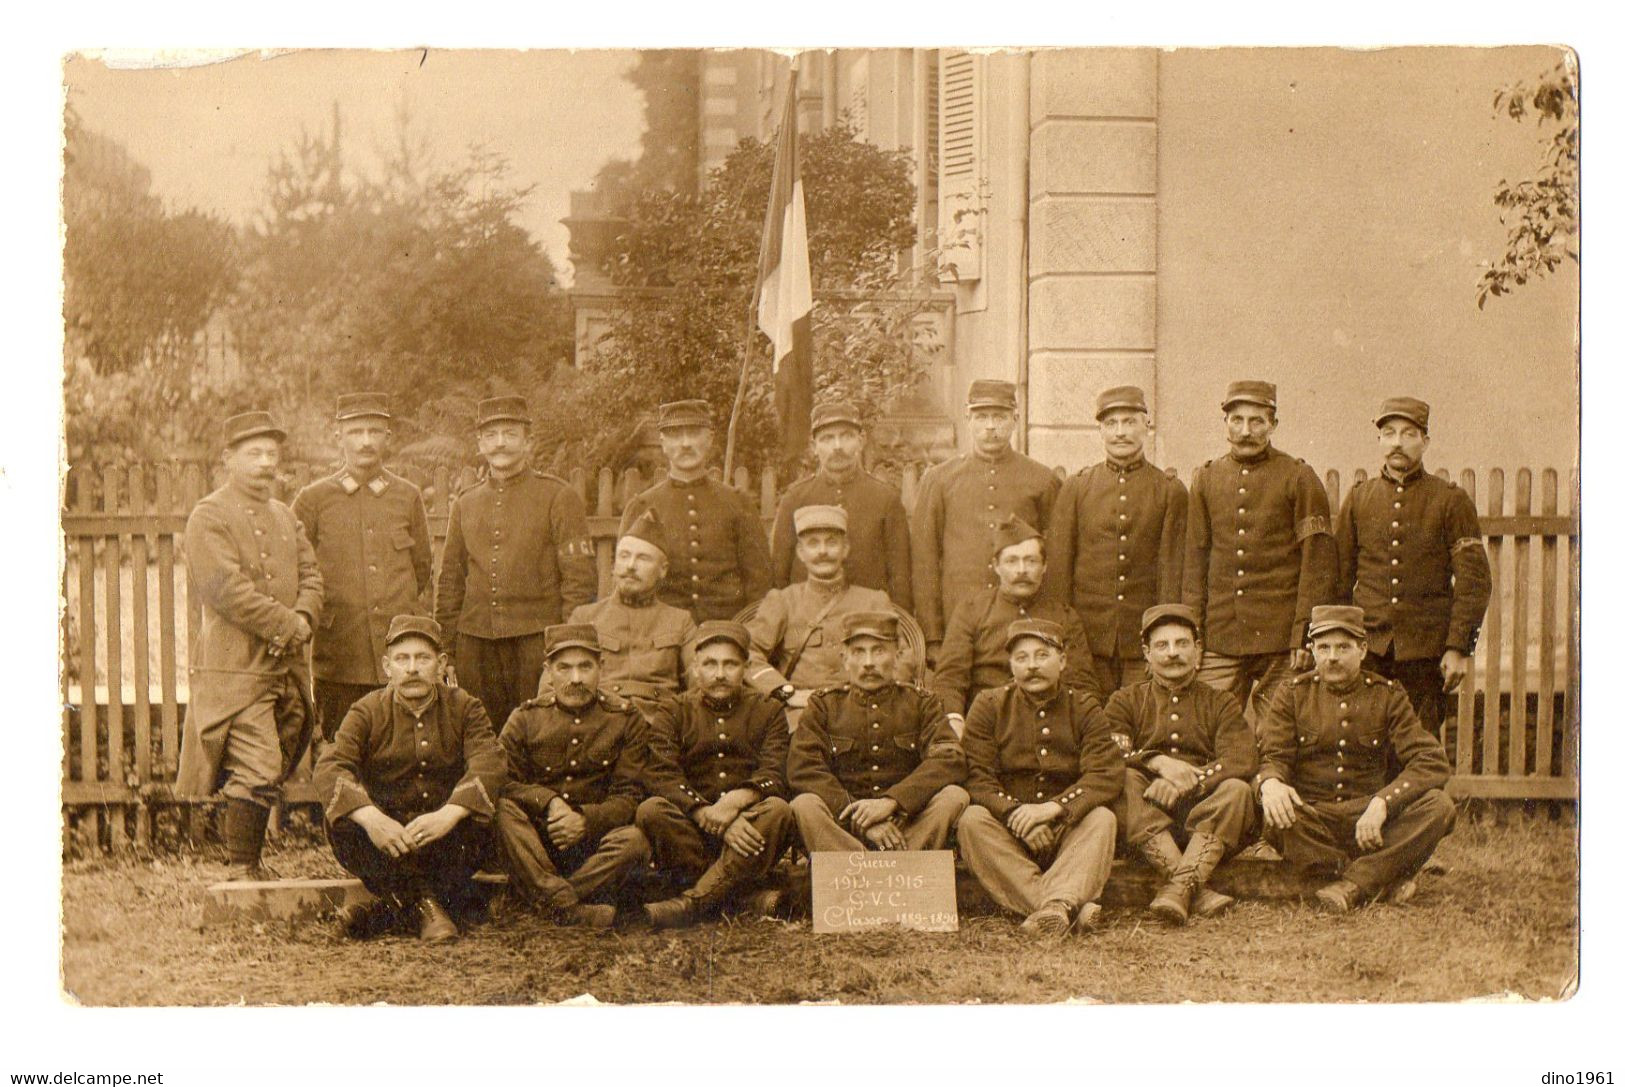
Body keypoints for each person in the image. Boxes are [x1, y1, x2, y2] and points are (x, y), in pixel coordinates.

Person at [175, 411, 322, 881]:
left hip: (286, 668)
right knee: (257, 763)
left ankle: (248, 863)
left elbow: (313, 576)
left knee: (274, 759)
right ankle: (241, 868)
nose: (264, 464)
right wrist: (286, 623)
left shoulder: (285, 515)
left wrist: (304, 616)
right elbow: (224, 589)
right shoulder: (209, 515)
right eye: (253, 454)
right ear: (228, 459)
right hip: (236, 668)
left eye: (272, 455)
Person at [313, 615, 506, 942]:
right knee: (343, 822)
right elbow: (331, 766)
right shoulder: (366, 710)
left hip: (445, 837)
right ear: (388, 667)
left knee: (482, 818)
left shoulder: (465, 707)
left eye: (423, 658)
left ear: (441, 664)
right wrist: (372, 819)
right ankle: (431, 905)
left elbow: (489, 760)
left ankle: (385, 912)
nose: (412, 668)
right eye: (402, 659)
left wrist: (451, 813)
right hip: (387, 841)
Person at [1256, 605, 1457, 912]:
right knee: (1264, 801)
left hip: (1370, 823)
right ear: (1312, 650)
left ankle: (1351, 884)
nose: (1332, 656)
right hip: (1312, 820)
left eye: (1343, 647)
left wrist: (1383, 803)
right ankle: (1379, 878)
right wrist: (1270, 782)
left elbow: (1430, 761)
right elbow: (1274, 755)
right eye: (1323, 647)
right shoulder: (1292, 693)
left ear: (1363, 650)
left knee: (1439, 806)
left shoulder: (1387, 695)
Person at [434, 395, 596, 731]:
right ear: (480, 444)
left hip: (536, 641)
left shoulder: (558, 496)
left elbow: (579, 581)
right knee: (481, 731)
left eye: (510, 434)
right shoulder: (465, 503)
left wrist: (566, 646)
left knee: (539, 729)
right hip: (475, 643)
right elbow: (450, 580)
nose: (500, 444)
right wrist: (447, 649)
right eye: (491, 436)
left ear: (528, 441)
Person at [955, 619, 1124, 937]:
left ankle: (1052, 908)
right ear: (1010, 664)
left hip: (1065, 830)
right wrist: (1015, 812)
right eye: (1021, 658)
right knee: (971, 819)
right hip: (1010, 831)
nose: (1031, 666)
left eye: (1042, 655)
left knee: (1102, 818)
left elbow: (1105, 772)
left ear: (1062, 661)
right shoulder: (989, 705)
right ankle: (1064, 906)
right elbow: (975, 775)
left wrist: (1054, 808)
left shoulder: (1084, 707)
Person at [1334, 397, 1492, 734]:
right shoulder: (1360, 498)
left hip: (1425, 653)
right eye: (1389, 433)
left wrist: (1458, 647)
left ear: (1425, 442)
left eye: (1408, 434)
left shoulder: (1450, 500)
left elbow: (1474, 582)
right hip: (1369, 650)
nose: (1397, 443)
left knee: (1419, 746)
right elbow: (1339, 578)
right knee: (1365, 743)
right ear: (1379, 441)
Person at [1183, 380, 1336, 717]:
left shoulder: (1299, 477)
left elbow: (1317, 564)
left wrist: (1304, 633)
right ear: (1225, 424)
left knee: (1280, 731)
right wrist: (1194, 635)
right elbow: (1195, 560)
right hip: (1221, 637)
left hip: (1280, 640)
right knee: (1208, 725)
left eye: (1257, 421)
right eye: (1236, 420)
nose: (1246, 431)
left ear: (1273, 425)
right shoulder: (1206, 478)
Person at [635, 621, 796, 927]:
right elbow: (661, 773)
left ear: (746, 668)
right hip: (692, 831)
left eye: (730, 664)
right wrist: (704, 814)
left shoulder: (768, 710)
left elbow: (775, 770)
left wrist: (736, 802)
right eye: (710, 664)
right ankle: (740, 898)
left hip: (749, 826)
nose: (720, 673)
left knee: (778, 810)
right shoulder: (674, 709)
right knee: (651, 809)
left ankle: (692, 904)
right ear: (695, 668)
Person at [293, 393, 432, 741]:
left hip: (396, 654)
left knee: (400, 747)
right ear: (338, 437)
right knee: (342, 747)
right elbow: (298, 569)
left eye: (375, 431)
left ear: (388, 437)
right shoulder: (313, 499)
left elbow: (421, 568)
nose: (366, 441)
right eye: (356, 431)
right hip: (341, 652)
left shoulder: (407, 496)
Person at [1106, 605, 1256, 925]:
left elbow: (1241, 756)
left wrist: (1192, 780)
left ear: (1197, 649)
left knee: (1237, 790)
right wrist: (1156, 762)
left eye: (1182, 643)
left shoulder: (1220, 701)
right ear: (1146, 653)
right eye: (1162, 645)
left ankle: (1178, 888)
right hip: (1145, 821)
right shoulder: (1125, 700)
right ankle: (1190, 889)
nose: (1173, 654)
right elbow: (1108, 751)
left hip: (1204, 818)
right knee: (1125, 780)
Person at [495, 624, 650, 928]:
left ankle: (544, 901)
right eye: (564, 668)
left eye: (585, 667)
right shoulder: (525, 718)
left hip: (593, 845)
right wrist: (549, 802)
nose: (576, 679)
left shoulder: (626, 719)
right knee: (502, 811)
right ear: (548, 671)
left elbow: (629, 795)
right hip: (536, 845)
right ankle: (567, 906)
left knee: (635, 841)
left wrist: (585, 820)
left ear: (601, 668)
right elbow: (501, 780)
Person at [1045, 385, 1188, 697]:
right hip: (1086, 639)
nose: (1120, 433)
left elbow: (1171, 571)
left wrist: (1160, 637)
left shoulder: (1169, 491)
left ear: (1146, 427)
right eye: (1111, 424)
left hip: (1142, 641)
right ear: (1100, 430)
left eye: (1129, 422)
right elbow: (1059, 571)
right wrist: (1064, 638)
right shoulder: (1077, 488)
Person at [787, 612, 968, 855]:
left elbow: (949, 758)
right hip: (844, 828)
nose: (869, 662)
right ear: (844, 659)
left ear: (897, 656)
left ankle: (903, 872)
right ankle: (859, 876)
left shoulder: (922, 703)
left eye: (879, 650)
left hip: (907, 825)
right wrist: (860, 818)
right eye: (859, 652)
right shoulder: (824, 706)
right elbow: (804, 768)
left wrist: (893, 802)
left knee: (954, 796)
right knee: (805, 805)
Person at [911, 379, 1062, 663]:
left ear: (1015, 420)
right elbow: (925, 561)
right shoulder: (940, 480)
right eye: (981, 417)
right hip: (959, 620)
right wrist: (932, 636)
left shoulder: (1042, 479)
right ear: (968, 419)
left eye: (1000, 416)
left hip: (1025, 621)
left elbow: (1055, 558)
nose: (990, 426)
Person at [932, 514, 1099, 733]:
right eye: (1012, 561)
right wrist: (954, 721)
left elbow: (1082, 684)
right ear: (996, 566)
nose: (1022, 570)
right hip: (985, 726)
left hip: (1049, 727)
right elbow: (950, 678)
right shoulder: (972, 611)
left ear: (1045, 566)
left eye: (1031, 561)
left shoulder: (1064, 616)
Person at [618, 399, 772, 625]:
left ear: (709, 439)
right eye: (675, 435)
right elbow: (627, 583)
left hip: (728, 635)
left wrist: (742, 636)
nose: (685, 443)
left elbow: (759, 584)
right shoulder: (642, 506)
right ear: (663, 443)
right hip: (663, 637)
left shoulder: (738, 504)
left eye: (693, 433)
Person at [745, 505, 893, 720]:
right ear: (801, 553)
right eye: (813, 543)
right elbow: (746, 652)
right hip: (800, 713)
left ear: (846, 549)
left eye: (831, 542)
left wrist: (874, 693)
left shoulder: (873, 601)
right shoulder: (783, 601)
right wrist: (785, 692)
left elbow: (902, 656)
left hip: (865, 711)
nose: (823, 551)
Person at [769, 399, 913, 609]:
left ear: (861, 440)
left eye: (846, 436)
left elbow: (900, 579)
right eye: (827, 438)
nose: (837, 447)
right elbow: (779, 576)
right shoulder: (795, 499)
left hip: (868, 623)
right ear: (814, 447)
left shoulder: (885, 499)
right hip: (807, 626)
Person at [568, 509, 695, 717]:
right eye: (624, 556)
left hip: (659, 722)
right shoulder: (585, 617)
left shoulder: (681, 621)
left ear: (663, 570)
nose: (631, 566)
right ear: (614, 564)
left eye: (643, 558)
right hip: (600, 720)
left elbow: (698, 681)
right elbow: (555, 680)